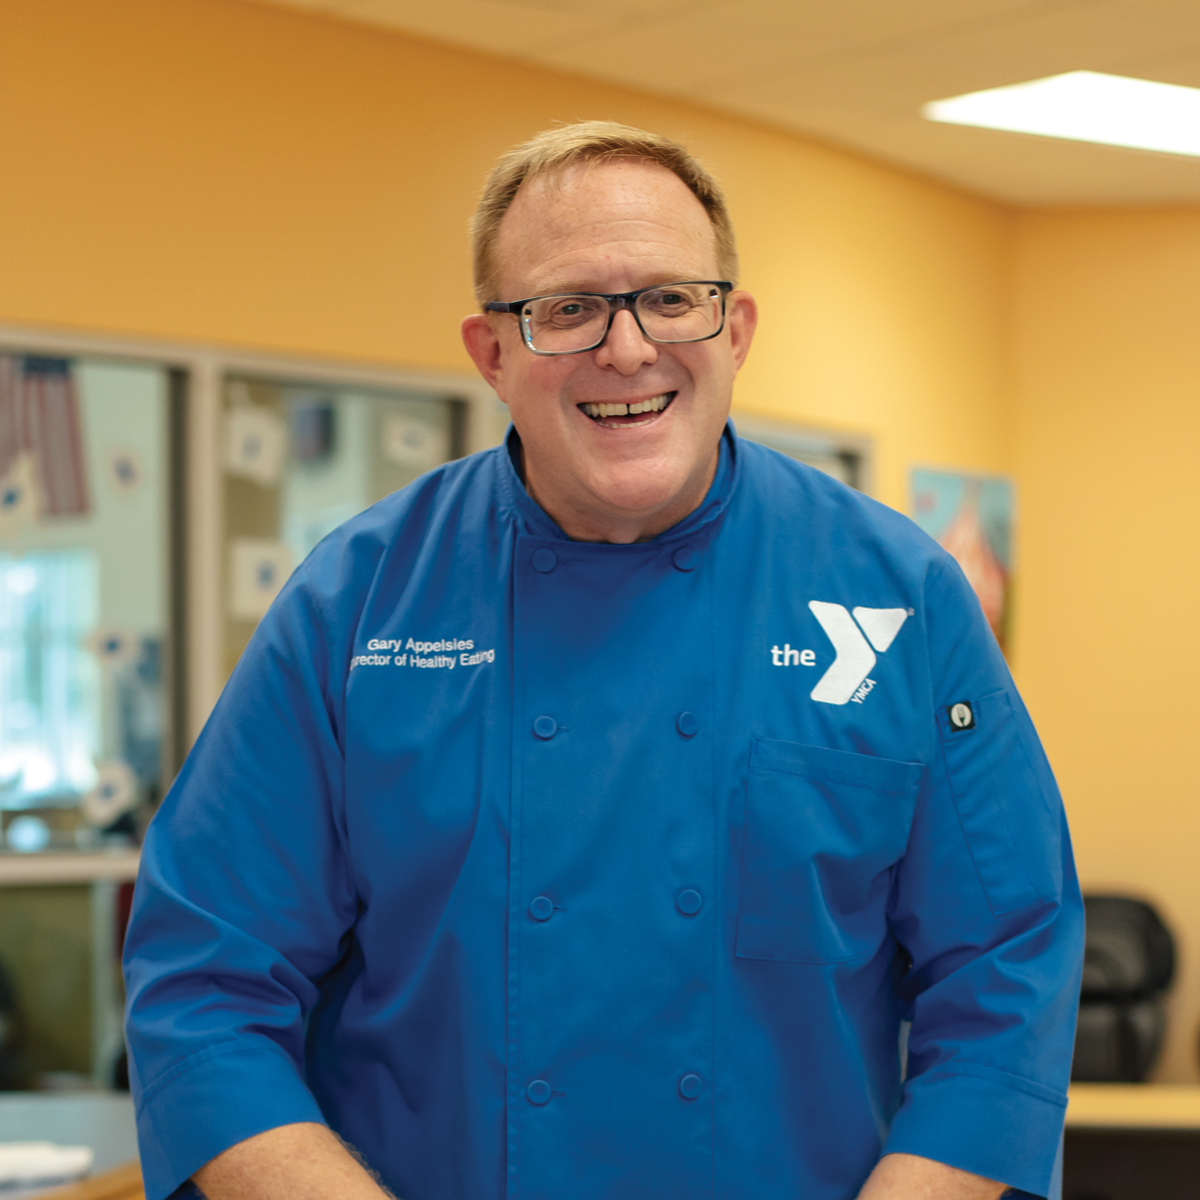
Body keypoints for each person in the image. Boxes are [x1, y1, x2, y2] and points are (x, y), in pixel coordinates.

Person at [124, 122, 1083, 1200]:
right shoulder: (355, 605)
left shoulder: (896, 596)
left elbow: (1006, 976)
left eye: (672, 299)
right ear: (491, 354)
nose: (626, 349)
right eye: (565, 309)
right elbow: (202, 992)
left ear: (737, 330)